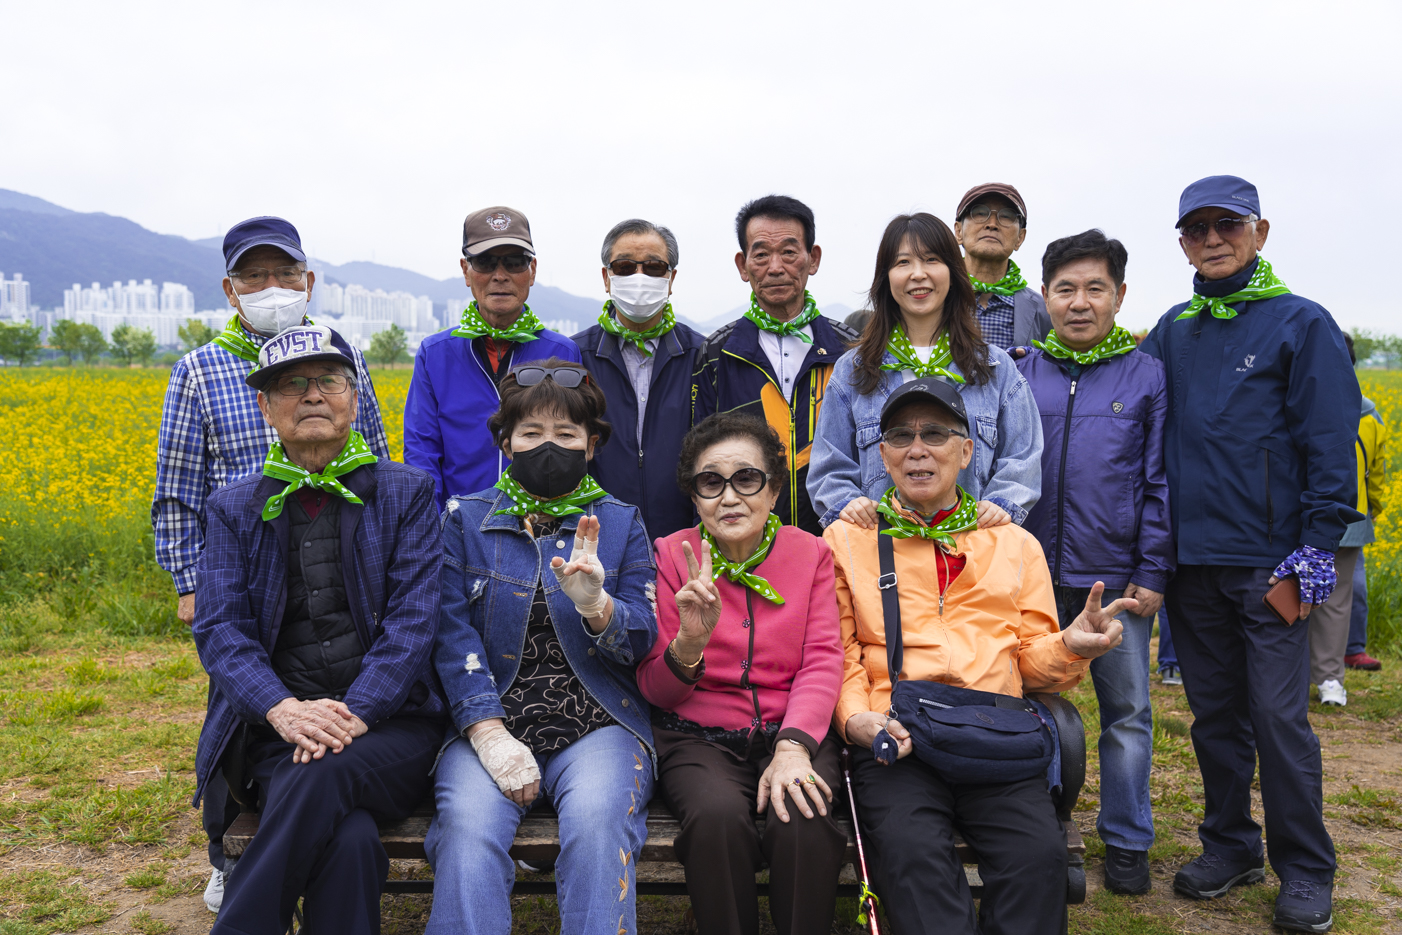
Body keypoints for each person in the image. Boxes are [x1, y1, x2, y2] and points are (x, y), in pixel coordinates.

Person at [826, 378, 1129, 935]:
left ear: (966, 451)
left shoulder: (1014, 544)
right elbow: (839, 653)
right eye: (901, 436)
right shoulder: (846, 541)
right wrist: (855, 720)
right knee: (913, 856)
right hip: (896, 736)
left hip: (994, 733)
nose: (918, 450)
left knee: (1037, 858)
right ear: (883, 455)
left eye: (935, 434)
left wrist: (1070, 645)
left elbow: (1031, 663)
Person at [1139, 175, 1362, 932]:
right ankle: (1231, 845)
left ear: (1259, 232)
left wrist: (1318, 547)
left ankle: (1306, 868)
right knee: (1214, 716)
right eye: (1196, 228)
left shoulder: (1302, 322)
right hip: (1192, 564)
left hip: (1276, 564)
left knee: (1278, 718)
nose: (1212, 239)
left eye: (1227, 225)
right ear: (1182, 243)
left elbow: (1330, 444)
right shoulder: (1174, 329)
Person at [152, 216, 389, 911]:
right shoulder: (200, 370)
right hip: (243, 565)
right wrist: (189, 581)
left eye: (284, 273)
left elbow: (375, 457)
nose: (272, 286)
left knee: (331, 698)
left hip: (334, 554)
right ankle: (226, 849)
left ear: (308, 280)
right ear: (231, 289)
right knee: (240, 705)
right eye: (254, 276)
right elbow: (177, 489)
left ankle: (296, 841)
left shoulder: (342, 355)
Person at [191, 325, 444, 935]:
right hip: (279, 735)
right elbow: (221, 628)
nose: (311, 395)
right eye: (291, 385)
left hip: (392, 727)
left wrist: (356, 713)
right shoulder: (232, 507)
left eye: (329, 380)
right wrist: (281, 709)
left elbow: (414, 622)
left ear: (354, 399)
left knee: (324, 771)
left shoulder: (406, 493)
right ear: (265, 407)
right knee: (348, 839)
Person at [425, 359, 658, 935]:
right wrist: (486, 730)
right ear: (505, 441)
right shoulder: (464, 521)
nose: (547, 446)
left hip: (598, 720)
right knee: (467, 829)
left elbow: (642, 639)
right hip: (491, 722)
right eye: (530, 432)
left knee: (599, 825)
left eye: (566, 433)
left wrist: (598, 607)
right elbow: (449, 634)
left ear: (592, 444)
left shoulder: (620, 523)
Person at [638, 412, 845, 935]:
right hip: (697, 737)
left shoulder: (811, 553)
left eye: (747, 479)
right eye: (711, 483)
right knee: (715, 820)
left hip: (794, 729)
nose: (729, 497)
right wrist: (690, 642)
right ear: (695, 497)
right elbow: (656, 689)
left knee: (803, 815)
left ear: (773, 490)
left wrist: (794, 746)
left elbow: (822, 658)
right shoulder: (671, 556)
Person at [1015, 229, 1174, 895]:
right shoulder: (1022, 371)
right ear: (1044, 296)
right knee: (1020, 706)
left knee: (1127, 710)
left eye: (1094, 289)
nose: (1079, 303)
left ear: (1120, 295)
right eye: (1065, 289)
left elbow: (1160, 480)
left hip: (1112, 580)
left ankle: (1128, 838)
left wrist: (1152, 569)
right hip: (1026, 575)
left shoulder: (1147, 375)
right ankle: (1032, 828)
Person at [809, 212, 1043, 532]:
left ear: (953, 271)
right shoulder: (854, 370)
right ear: (886, 277)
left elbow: (1023, 457)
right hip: (882, 552)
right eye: (903, 262)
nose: (918, 274)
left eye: (931, 260)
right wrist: (848, 503)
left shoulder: (995, 368)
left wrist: (1001, 504)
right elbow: (829, 468)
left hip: (972, 552)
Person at [692, 195, 858, 534]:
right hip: (745, 544)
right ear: (743, 265)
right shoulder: (716, 355)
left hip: (840, 538)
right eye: (761, 254)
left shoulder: (850, 350)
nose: (776, 267)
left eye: (789, 252)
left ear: (813, 259)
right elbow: (699, 459)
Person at [404, 206, 582, 507]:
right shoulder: (434, 354)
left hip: (541, 521)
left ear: (532, 270)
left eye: (514, 262)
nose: (500, 276)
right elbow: (422, 451)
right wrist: (432, 522)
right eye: (485, 262)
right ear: (466, 270)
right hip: (457, 522)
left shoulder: (562, 351)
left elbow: (573, 445)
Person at [573, 219, 705, 538]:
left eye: (654, 267)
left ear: (671, 278)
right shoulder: (576, 357)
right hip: (598, 537)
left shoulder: (702, 356)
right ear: (607, 277)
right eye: (625, 267)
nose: (639, 277)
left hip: (684, 539)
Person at [1309, 333, 1388, 703]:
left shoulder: (1300, 402)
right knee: (1337, 600)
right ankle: (1330, 680)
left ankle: (1289, 675)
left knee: (1287, 592)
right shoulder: (1369, 413)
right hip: (1351, 518)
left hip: (1300, 514)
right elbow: (1377, 473)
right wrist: (1372, 509)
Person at [951, 183, 1051, 350]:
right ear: (959, 231)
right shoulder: (934, 295)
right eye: (980, 213)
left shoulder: (1045, 311)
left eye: (1006, 216)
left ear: (1020, 237)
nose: (992, 224)